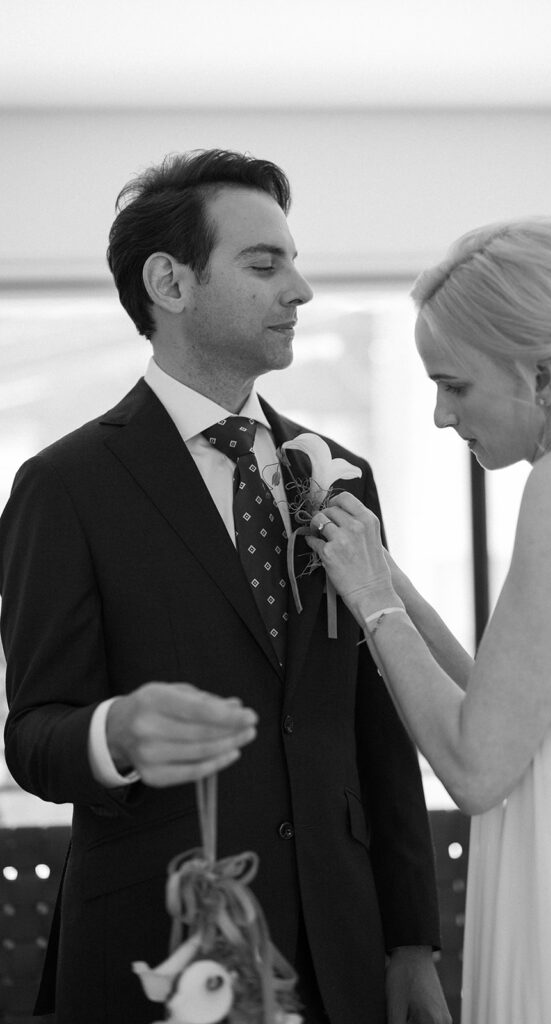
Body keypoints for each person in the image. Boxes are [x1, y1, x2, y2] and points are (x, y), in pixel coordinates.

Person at [0, 149, 451, 1024]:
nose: (300, 290)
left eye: (293, 261)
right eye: (264, 263)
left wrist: (410, 943)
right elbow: (35, 736)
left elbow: (377, 729)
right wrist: (114, 732)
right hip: (158, 948)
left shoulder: (338, 475)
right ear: (169, 282)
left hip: (343, 954)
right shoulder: (64, 486)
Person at [305, 218, 551, 1024]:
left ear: (540, 376)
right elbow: (508, 712)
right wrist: (387, 581)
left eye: (456, 385)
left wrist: (372, 603)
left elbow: (476, 769)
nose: (441, 416)